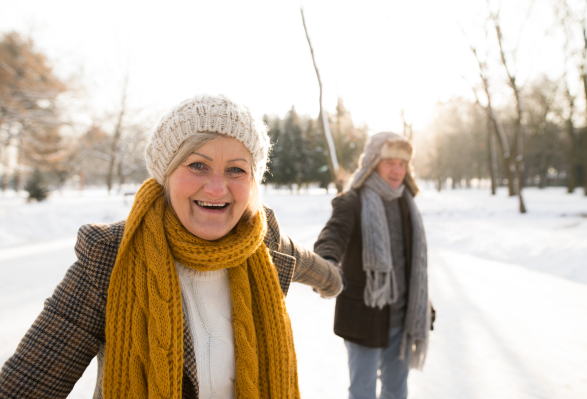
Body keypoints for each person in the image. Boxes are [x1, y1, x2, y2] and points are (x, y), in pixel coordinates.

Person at [0, 94, 344, 399]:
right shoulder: (110, 257)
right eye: (198, 165)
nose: (216, 188)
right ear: (165, 174)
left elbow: (312, 266)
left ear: (253, 181)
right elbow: (25, 384)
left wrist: (335, 280)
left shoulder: (264, 244)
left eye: (236, 170)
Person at [314, 132, 434, 399]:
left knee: (396, 390)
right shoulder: (352, 201)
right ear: (372, 163)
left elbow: (412, 265)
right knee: (363, 392)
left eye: (402, 163)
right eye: (389, 162)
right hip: (364, 318)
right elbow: (332, 235)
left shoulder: (406, 202)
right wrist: (327, 263)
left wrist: (423, 304)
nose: (397, 170)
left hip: (402, 319)